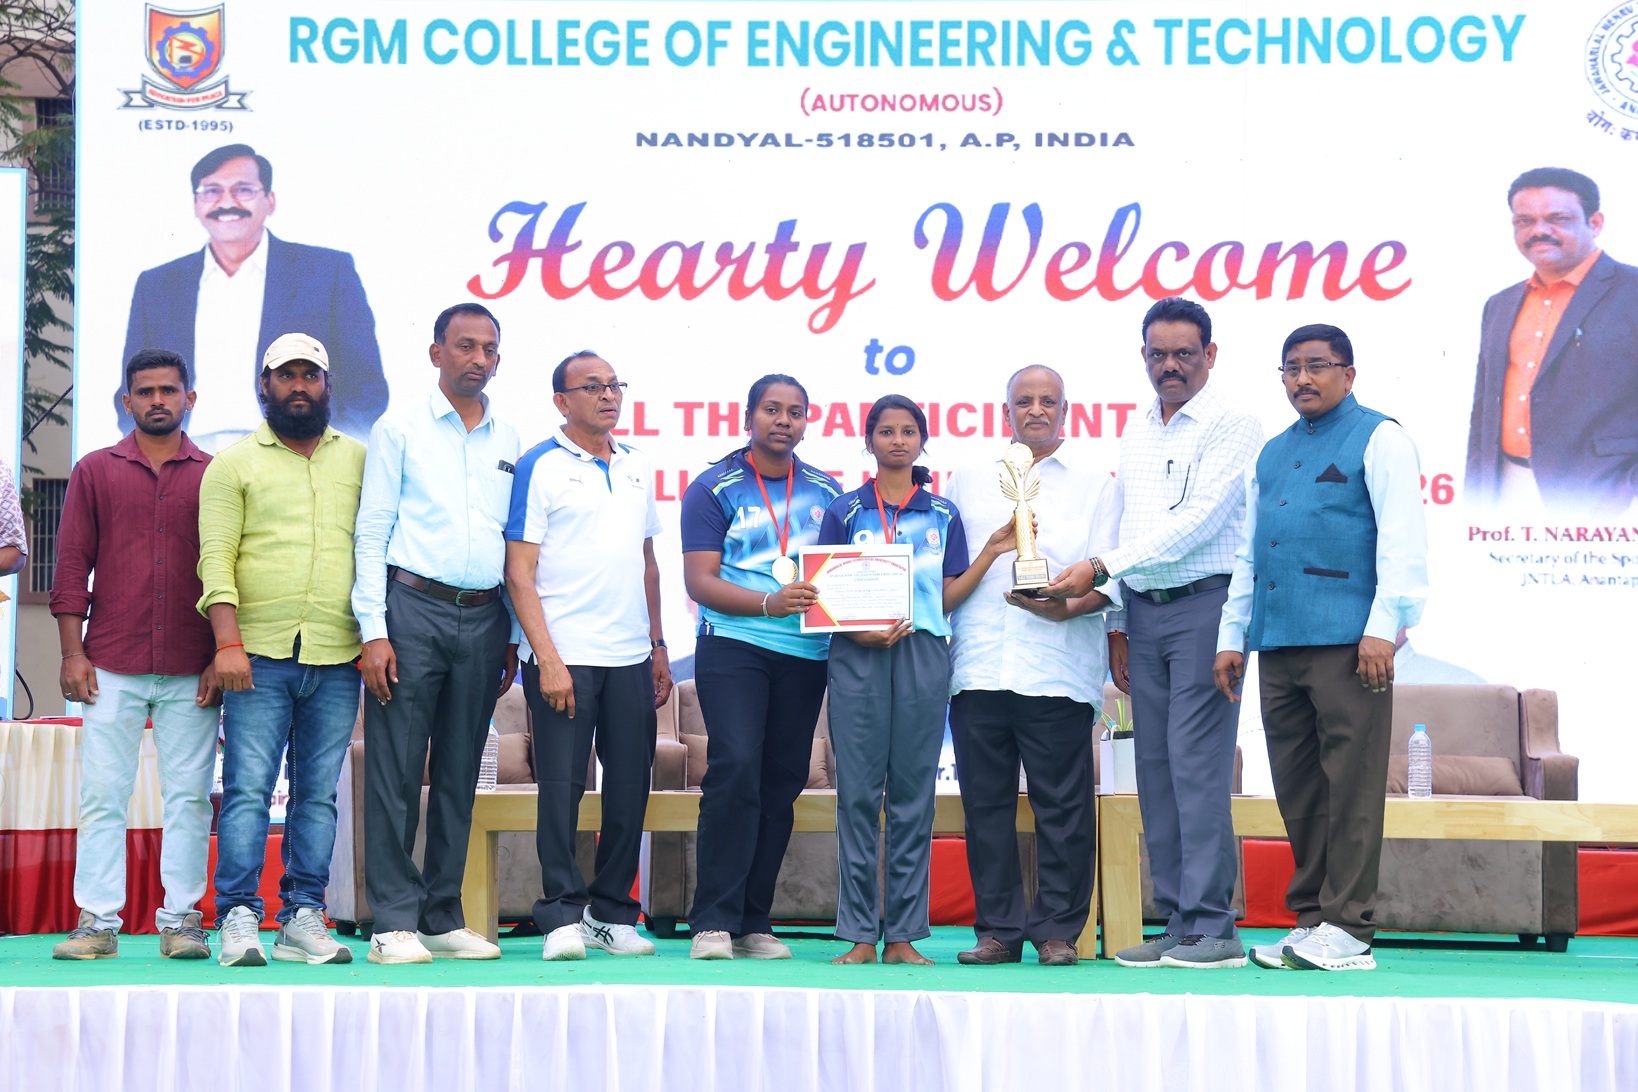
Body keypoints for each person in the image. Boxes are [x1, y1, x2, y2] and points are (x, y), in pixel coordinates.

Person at [1045, 297, 1262, 969]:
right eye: (1158, 354)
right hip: (1143, 610)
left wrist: (1100, 567)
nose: (1170, 366)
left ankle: (1215, 927)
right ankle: (1178, 920)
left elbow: (1199, 522)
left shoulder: (1234, 424)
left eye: (1184, 354)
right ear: (1143, 356)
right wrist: (1116, 619)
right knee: (1156, 769)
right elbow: (1130, 524)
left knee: (1197, 768)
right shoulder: (1139, 426)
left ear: (1210, 355)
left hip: (1205, 607)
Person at [1214, 323, 1428, 972]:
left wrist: (1383, 627)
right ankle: (1312, 921)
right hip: (1279, 642)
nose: (1302, 379)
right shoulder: (1272, 452)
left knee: (1351, 789)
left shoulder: (1381, 438)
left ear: (1348, 374)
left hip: (1350, 643)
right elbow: (1251, 552)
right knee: (1300, 790)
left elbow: (1402, 541)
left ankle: (1350, 928)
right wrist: (1231, 635)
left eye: (1317, 366)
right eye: (1291, 368)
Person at [819, 395, 1020, 966]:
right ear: (869, 441)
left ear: (922, 441)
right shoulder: (844, 510)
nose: (898, 440)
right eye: (886, 431)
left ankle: (904, 935)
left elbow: (948, 596)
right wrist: (857, 632)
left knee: (913, 798)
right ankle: (861, 935)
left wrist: (990, 552)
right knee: (858, 797)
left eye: (908, 431)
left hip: (924, 650)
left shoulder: (942, 514)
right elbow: (824, 592)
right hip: (857, 653)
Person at [352, 303, 519, 965]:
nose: (478, 359)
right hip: (411, 611)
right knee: (395, 771)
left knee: (460, 771)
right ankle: (392, 923)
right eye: (464, 346)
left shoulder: (510, 437)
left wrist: (512, 635)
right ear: (436, 353)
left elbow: (513, 542)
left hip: (485, 616)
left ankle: (441, 916)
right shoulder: (398, 429)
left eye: (488, 349)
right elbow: (372, 532)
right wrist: (373, 629)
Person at [198, 332, 366, 967]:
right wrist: (227, 644)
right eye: (286, 375)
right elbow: (216, 559)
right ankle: (238, 916)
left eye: (310, 375)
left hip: (338, 653)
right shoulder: (233, 464)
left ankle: (302, 916)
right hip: (257, 655)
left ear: (327, 385)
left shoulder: (359, 460)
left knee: (318, 794)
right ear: (263, 385)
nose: (300, 386)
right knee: (247, 789)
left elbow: (375, 548)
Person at [943, 365, 1119, 967]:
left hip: (1057, 667)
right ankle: (996, 931)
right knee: (985, 809)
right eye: (1024, 401)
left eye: (1048, 401)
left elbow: (1110, 578)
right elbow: (950, 572)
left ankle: (1058, 933)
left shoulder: (1097, 484)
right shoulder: (968, 479)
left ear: (1066, 411)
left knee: (1063, 811)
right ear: (1006, 412)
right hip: (979, 666)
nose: (1036, 410)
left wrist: (1066, 606)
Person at [49, 349, 218, 960]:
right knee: (102, 795)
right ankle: (97, 922)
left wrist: (222, 652)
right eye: (145, 392)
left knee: (190, 798)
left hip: (193, 663)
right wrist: (72, 653)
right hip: (110, 661)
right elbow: (72, 565)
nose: (157, 401)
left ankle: (182, 921)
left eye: (168, 391)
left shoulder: (215, 475)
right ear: (127, 401)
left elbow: (230, 570)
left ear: (189, 399)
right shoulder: (95, 470)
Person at [504, 350, 670, 961]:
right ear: (561, 401)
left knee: (629, 789)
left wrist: (658, 645)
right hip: (564, 653)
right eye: (593, 386)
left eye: (614, 385)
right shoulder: (539, 465)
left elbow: (647, 561)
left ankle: (610, 913)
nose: (608, 395)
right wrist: (547, 658)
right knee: (562, 789)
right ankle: (561, 914)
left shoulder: (636, 465)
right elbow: (519, 571)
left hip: (629, 654)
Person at [680, 374, 841, 960]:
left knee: (781, 781)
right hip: (734, 646)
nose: (783, 421)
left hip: (805, 655)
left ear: (806, 422)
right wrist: (769, 603)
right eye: (772, 409)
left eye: (795, 412)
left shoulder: (827, 491)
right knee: (736, 769)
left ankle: (753, 922)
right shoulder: (713, 488)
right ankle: (712, 922)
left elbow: (842, 574)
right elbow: (700, 582)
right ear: (749, 417)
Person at [121, 143, 387, 448]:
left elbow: (366, 387)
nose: (226, 202)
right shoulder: (158, 285)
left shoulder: (327, 272)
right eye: (211, 191)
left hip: (293, 453)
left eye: (243, 190)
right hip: (185, 456)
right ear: (196, 204)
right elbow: (131, 390)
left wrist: (322, 454)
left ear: (270, 201)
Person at [1465, 167, 1638, 516]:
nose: (1539, 231)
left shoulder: (1631, 292)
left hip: (1603, 497)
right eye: (1524, 221)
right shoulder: (1500, 304)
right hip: (1505, 493)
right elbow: (1484, 410)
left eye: (1557, 219)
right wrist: (1477, 497)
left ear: (1595, 223)